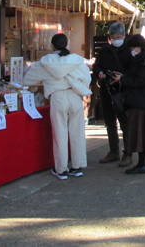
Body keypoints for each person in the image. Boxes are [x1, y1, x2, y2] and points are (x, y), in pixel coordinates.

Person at [23, 34, 92, 180]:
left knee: (59, 133)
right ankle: (77, 167)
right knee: (77, 132)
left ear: (52, 45)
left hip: (57, 97)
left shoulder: (46, 61)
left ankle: (61, 169)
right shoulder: (76, 60)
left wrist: (47, 80)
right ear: (66, 44)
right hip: (74, 95)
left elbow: (28, 79)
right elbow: (87, 78)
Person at [111, 34, 145, 175]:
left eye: (133, 47)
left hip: (140, 101)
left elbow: (140, 81)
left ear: (139, 47)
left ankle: (141, 164)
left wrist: (123, 79)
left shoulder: (143, 60)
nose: (132, 50)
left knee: (139, 133)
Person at [93, 23, 133, 167]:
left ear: (124, 36)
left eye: (119, 37)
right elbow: (96, 66)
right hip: (107, 90)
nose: (117, 39)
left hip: (123, 92)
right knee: (109, 122)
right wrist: (100, 73)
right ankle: (113, 151)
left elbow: (134, 71)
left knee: (125, 123)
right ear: (109, 38)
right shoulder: (104, 51)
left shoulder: (129, 50)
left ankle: (128, 153)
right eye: (114, 37)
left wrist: (123, 77)